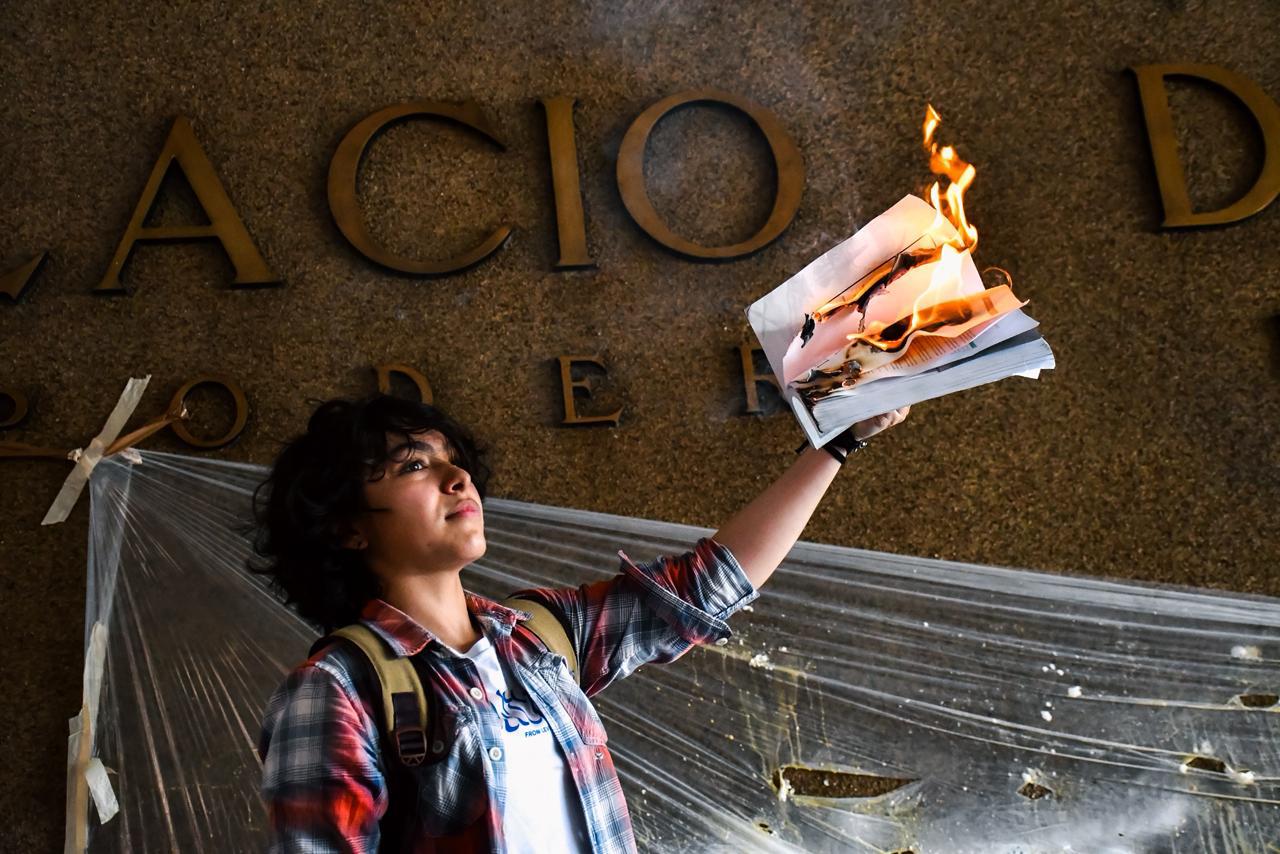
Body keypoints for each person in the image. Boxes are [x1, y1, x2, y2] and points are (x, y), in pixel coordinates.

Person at [252, 393, 910, 853]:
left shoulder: (534, 638)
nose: (457, 477)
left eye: (453, 459)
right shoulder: (336, 690)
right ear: (347, 528)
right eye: (414, 466)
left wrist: (839, 442)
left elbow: (708, 585)